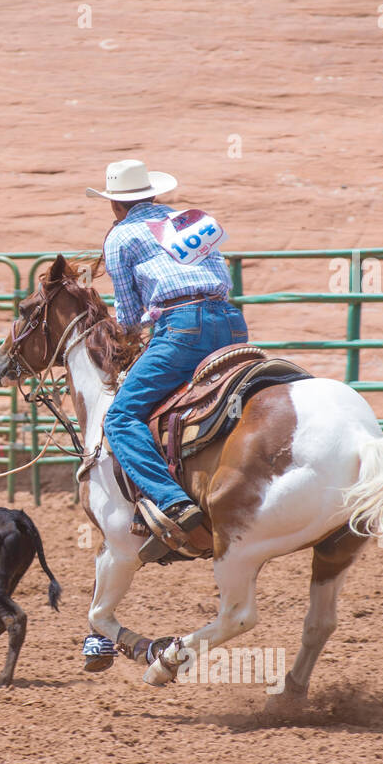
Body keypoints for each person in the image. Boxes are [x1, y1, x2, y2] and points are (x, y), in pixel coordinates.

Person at [90, 158, 249, 564]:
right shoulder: (188, 219)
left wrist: (130, 334)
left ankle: (173, 504)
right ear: (152, 192)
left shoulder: (120, 236)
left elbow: (127, 316)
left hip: (181, 330)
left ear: (114, 204)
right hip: (231, 322)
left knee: (122, 418)